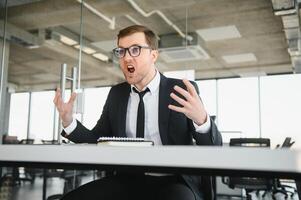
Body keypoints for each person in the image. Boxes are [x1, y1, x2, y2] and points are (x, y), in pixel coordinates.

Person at [53, 25, 222, 200]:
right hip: (127, 179)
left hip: (173, 181)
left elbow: (213, 147)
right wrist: (68, 121)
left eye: (135, 50)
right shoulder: (117, 94)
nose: (126, 57)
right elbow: (96, 139)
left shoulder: (181, 89)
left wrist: (202, 120)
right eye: (121, 51)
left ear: (153, 55)